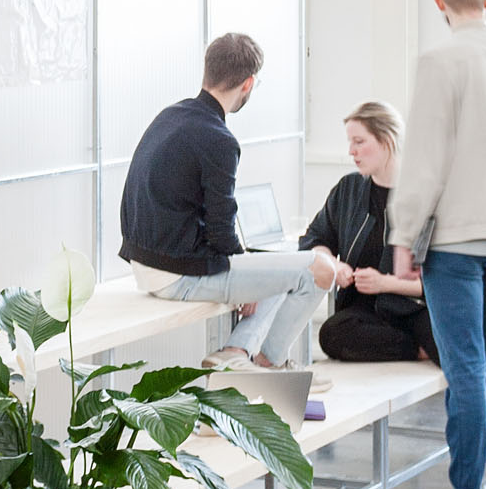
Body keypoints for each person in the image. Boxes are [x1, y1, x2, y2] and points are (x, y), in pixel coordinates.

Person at [119, 31, 342, 367]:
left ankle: (238, 351)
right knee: (321, 269)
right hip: (178, 275)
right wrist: (246, 284)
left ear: (207, 70)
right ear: (248, 84)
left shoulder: (169, 116)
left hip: (145, 264)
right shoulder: (219, 139)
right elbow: (221, 231)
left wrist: (250, 275)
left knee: (278, 269)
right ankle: (268, 361)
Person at [389, 0, 486, 489]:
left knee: (468, 372)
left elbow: (425, 158)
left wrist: (404, 235)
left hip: (456, 242)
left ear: (439, 4)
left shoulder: (440, 62)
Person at [299, 101, 438, 366]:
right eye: (350, 142)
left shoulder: (423, 196)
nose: (351, 151)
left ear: (386, 140)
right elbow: (315, 239)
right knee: (331, 333)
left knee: (454, 342)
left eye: (359, 142)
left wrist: (385, 284)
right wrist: (333, 263)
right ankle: (415, 350)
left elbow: (438, 280)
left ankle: (414, 345)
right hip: (364, 315)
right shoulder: (349, 189)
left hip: (413, 308)